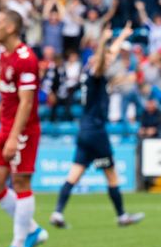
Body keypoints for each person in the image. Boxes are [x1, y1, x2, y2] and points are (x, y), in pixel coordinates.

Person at [49, 23, 145, 229]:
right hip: (96, 132)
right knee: (111, 174)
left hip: (84, 131)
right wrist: (103, 40)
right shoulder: (95, 73)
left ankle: (57, 212)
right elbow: (104, 57)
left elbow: (108, 55)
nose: (110, 60)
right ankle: (121, 215)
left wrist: (120, 38)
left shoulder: (87, 74)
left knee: (74, 174)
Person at [0, 10, 48, 247]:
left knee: (20, 183)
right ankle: (32, 229)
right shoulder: (4, 55)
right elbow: (9, 96)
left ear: (10, 28)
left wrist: (14, 136)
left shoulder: (26, 58)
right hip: (6, 127)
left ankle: (19, 244)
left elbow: (26, 102)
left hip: (23, 131)